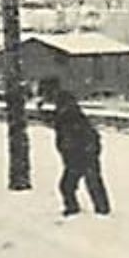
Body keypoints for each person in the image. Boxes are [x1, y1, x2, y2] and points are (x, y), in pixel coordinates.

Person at [43, 79, 111, 217]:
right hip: (83, 149)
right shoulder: (65, 107)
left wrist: (71, 148)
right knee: (90, 181)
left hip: (80, 151)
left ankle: (90, 210)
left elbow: (68, 126)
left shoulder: (66, 109)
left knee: (71, 184)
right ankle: (101, 209)